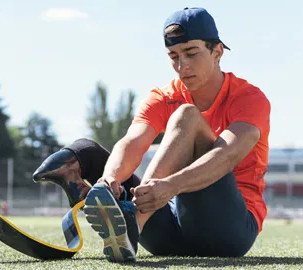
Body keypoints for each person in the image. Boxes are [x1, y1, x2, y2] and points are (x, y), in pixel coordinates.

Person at [37, 6, 271, 263]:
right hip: (165, 235)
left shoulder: (249, 99)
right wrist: (110, 179)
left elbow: (226, 156)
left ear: (217, 52)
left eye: (191, 53)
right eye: (174, 56)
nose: (182, 66)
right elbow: (133, 142)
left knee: (187, 116)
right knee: (88, 151)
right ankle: (73, 177)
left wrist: (170, 186)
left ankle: (133, 222)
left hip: (227, 232)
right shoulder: (163, 96)